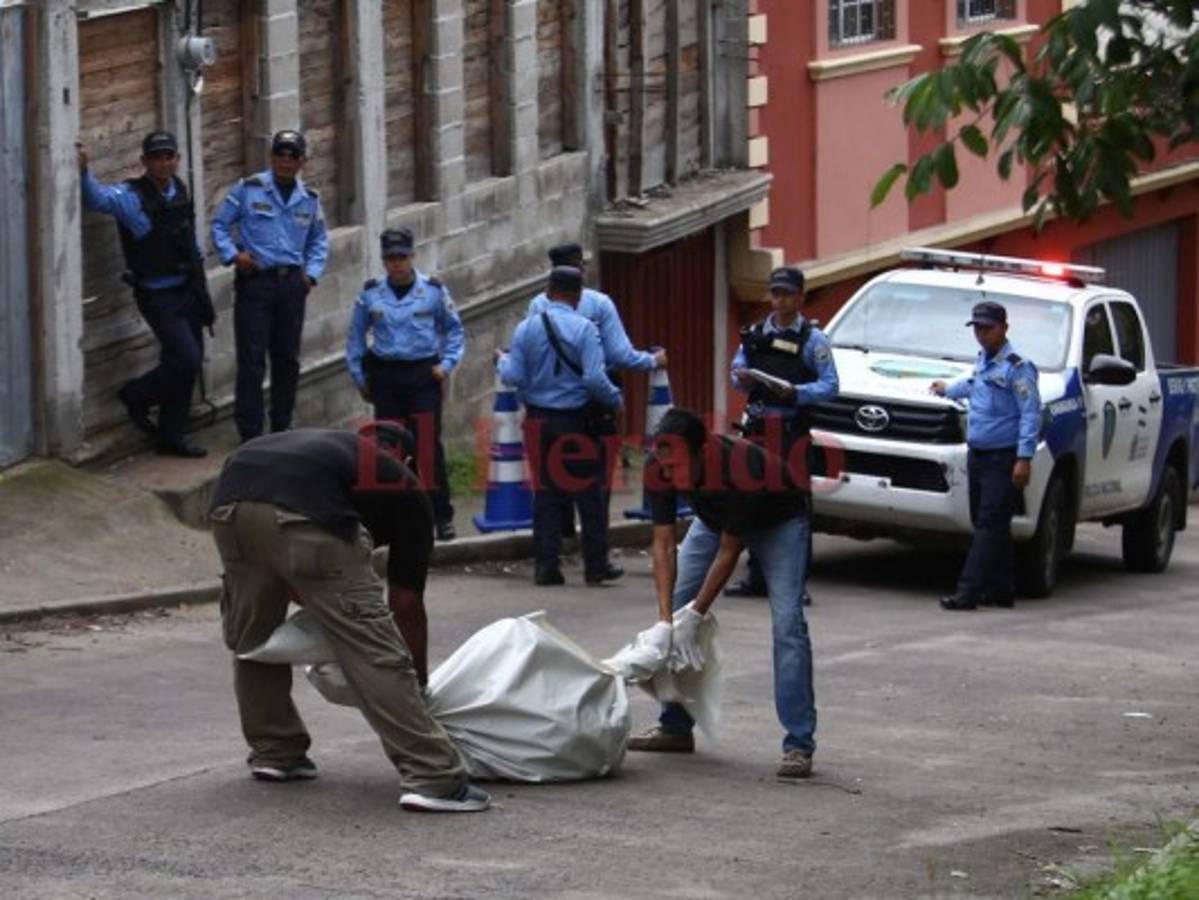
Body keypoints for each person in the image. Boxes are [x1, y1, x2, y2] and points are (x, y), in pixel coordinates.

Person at [208, 424, 490, 813]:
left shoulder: (328, 450)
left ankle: (276, 751)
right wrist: (417, 684)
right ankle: (433, 777)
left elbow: (295, 577)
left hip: (230, 505)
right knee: (372, 648)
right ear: (408, 462)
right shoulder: (407, 490)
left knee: (254, 638)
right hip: (305, 517)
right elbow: (405, 604)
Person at [628, 407, 818, 779]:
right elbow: (664, 545)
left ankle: (798, 743)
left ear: (704, 453)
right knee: (676, 611)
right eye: (664, 467)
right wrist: (668, 619)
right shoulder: (660, 465)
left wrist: (696, 615)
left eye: (677, 467)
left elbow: (730, 552)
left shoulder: (738, 469)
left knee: (788, 626)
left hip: (781, 521)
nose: (669, 476)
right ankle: (675, 727)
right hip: (714, 519)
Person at [79, 130, 213, 458]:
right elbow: (97, 199)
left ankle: (171, 435)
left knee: (182, 365)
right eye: (157, 157)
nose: (164, 163)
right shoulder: (131, 196)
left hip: (188, 289)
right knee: (188, 359)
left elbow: (188, 239)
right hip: (158, 295)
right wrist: (83, 171)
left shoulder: (179, 191)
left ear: (177, 160)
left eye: (170, 157)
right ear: (145, 162)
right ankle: (136, 395)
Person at [528, 243, 668, 541]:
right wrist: (653, 361)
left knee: (552, 475)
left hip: (547, 404)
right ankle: (596, 550)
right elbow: (619, 354)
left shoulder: (537, 306)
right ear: (581, 270)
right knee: (597, 477)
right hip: (594, 401)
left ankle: (559, 538)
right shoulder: (599, 303)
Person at [497, 267, 623, 586]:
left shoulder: (525, 329)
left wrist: (501, 361)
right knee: (590, 495)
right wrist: (615, 399)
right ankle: (596, 565)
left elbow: (512, 376)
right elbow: (595, 378)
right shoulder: (585, 330)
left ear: (548, 292)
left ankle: (546, 566)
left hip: (539, 420)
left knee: (547, 494)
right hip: (577, 421)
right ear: (578, 296)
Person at [726, 266, 838, 605]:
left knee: (794, 510)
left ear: (800, 297)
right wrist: (741, 379)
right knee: (753, 503)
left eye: (787, 294)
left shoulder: (813, 340)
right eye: (775, 293)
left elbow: (831, 385)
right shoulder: (755, 334)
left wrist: (798, 392)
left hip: (791, 433)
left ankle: (794, 583)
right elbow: (735, 372)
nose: (780, 300)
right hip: (758, 430)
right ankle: (756, 576)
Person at [346, 228, 465, 541]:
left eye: (401, 257)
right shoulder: (371, 294)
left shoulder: (433, 291)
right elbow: (355, 338)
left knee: (428, 447)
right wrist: (360, 377)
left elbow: (454, 330)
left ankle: (441, 517)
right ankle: (390, 520)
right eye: (390, 258)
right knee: (387, 451)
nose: (396, 264)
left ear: (412, 256)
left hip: (423, 377)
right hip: (386, 379)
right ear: (384, 261)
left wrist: (447, 365)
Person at [210, 130, 329, 443]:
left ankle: (281, 425)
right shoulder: (249, 189)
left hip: (292, 285)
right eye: (280, 154)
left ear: (302, 161)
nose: (285, 161)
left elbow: (318, 241)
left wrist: (311, 274)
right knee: (252, 359)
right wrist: (233, 256)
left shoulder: (310, 199)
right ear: (271, 156)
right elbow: (220, 225)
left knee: (287, 357)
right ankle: (250, 433)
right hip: (256, 283)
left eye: (292, 156)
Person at [932, 301, 1041, 611]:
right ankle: (1002, 589)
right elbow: (973, 385)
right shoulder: (984, 360)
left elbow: (1030, 413)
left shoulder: (1017, 367)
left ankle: (967, 592)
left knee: (988, 526)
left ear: (1004, 328)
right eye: (977, 328)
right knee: (991, 523)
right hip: (978, 454)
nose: (981, 334)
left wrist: (1024, 458)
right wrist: (947, 389)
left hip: (1002, 457)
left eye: (988, 328)